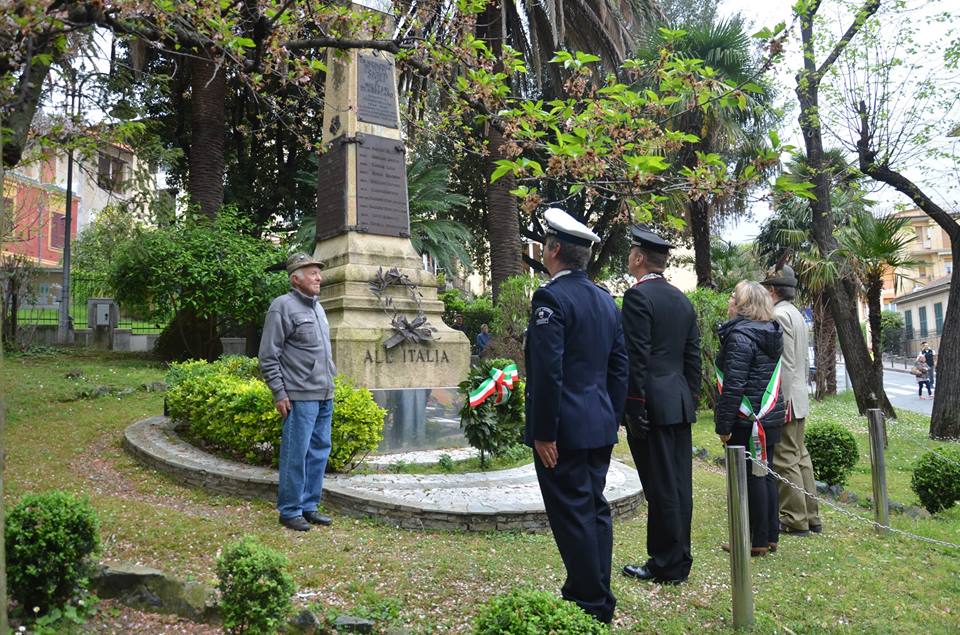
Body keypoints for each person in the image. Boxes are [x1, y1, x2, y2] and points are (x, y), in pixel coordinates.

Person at [525, 207, 628, 624]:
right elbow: (620, 367)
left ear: (553, 250)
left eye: (545, 245)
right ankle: (590, 589)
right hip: (598, 425)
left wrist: (545, 432)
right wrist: (610, 416)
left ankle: (590, 601)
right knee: (594, 509)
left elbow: (549, 373)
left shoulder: (551, 297)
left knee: (572, 516)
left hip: (564, 431)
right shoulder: (605, 300)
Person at [620, 224, 701, 585]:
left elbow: (635, 359)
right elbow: (693, 358)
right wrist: (690, 398)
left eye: (630, 253)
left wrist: (633, 408)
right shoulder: (682, 299)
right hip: (677, 401)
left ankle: (666, 563)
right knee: (679, 485)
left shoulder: (638, 298)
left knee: (660, 487)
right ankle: (678, 557)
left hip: (651, 404)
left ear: (639, 258)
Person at [259, 252, 337, 532]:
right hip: (299, 396)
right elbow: (268, 355)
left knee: (319, 452)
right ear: (296, 279)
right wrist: (279, 392)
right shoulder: (282, 307)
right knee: (297, 453)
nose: (319, 277)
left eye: (319, 272)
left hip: (325, 393)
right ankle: (290, 510)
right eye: (312, 273)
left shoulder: (319, 308)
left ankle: (308, 506)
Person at [715, 281, 786, 557]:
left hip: (749, 419)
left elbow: (734, 385)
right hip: (770, 416)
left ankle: (753, 539)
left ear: (744, 305)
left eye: (733, 296)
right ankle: (769, 536)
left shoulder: (740, 336)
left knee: (750, 478)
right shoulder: (771, 331)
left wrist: (723, 426)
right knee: (765, 474)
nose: (729, 300)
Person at [762, 266, 821, 537]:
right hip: (798, 396)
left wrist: (779, 400)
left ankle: (795, 518)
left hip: (787, 397)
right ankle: (810, 515)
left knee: (785, 458)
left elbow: (783, 363)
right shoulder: (795, 314)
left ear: (773, 291)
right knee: (800, 457)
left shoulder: (778, 315)